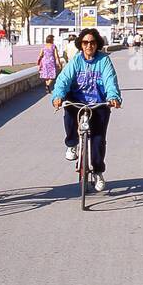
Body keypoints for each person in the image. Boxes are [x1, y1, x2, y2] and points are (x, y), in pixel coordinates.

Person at [51, 28, 121, 194]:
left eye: (92, 42)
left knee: (98, 139)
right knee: (68, 111)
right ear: (80, 45)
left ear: (97, 44)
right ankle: (72, 144)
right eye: (85, 42)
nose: (89, 45)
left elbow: (110, 79)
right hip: (77, 101)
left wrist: (113, 96)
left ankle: (98, 172)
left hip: (99, 103)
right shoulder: (75, 61)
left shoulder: (104, 61)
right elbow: (63, 79)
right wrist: (58, 96)